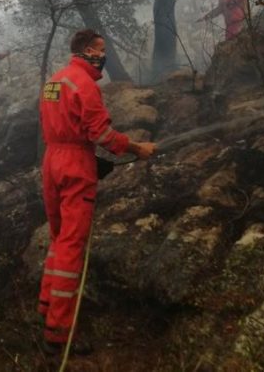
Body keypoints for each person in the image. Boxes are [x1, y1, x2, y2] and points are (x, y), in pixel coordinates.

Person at [37, 29, 156, 356]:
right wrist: (136, 147)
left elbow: (58, 123)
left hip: (52, 161)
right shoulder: (84, 84)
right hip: (74, 164)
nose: (104, 56)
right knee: (72, 248)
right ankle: (59, 334)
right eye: (102, 50)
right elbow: (101, 133)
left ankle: (46, 307)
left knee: (59, 238)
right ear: (88, 50)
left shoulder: (54, 81)